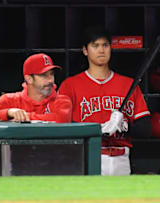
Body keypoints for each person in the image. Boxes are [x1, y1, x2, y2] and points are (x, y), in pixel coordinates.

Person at [59, 26, 151, 175]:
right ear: (85, 50)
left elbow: (146, 129)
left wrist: (125, 125)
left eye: (105, 45)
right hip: (87, 155)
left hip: (121, 157)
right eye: (95, 45)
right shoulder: (70, 85)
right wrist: (97, 129)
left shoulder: (128, 84)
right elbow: (61, 126)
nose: (101, 50)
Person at [0, 53, 72, 123]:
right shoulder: (9, 99)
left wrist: (24, 117)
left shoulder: (62, 100)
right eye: (44, 75)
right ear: (29, 79)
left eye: (51, 74)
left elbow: (61, 119)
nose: (50, 80)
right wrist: (10, 112)